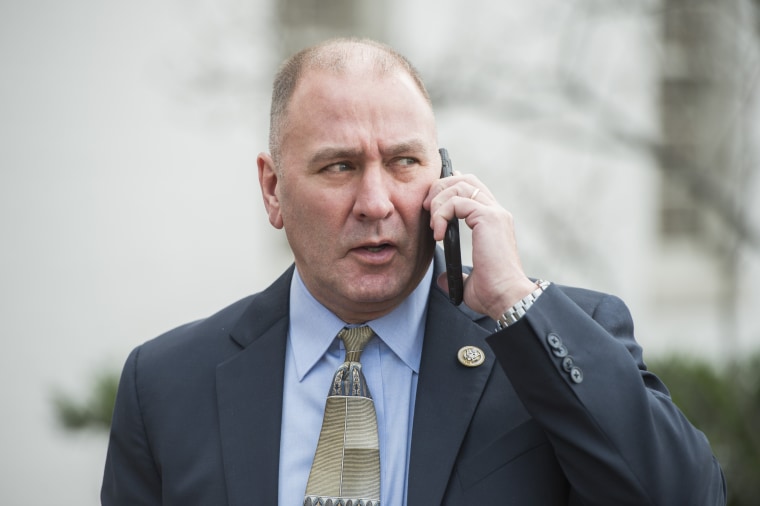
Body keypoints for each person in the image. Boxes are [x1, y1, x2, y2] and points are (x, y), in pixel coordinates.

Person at [101, 37, 726, 505]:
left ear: (443, 175)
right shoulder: (165, 386)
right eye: (339, 167)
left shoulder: (545, 340)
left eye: (404, 162)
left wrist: (511, 298)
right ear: (272, 190)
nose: (377, 203)